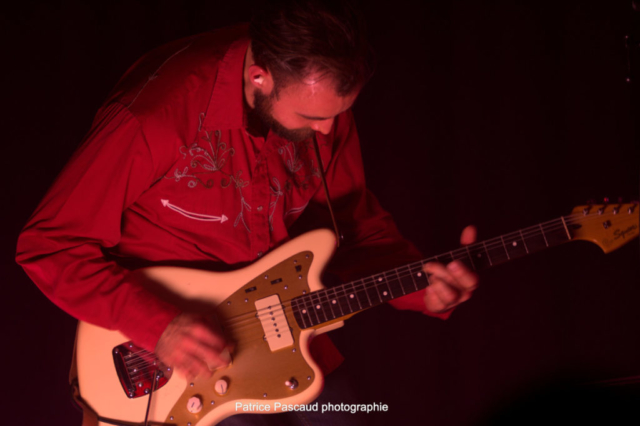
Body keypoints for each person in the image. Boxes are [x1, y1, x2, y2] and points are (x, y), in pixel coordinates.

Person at [16, 0, 478, 424]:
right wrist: (159, 326)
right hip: (171, 355)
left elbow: (350, 221)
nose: (328, 130)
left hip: (284, 334)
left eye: (339, 113)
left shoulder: (323, 102)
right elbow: (48, 246)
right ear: (260, 77)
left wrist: (420, 286)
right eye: (311, 117)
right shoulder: (154, 115)